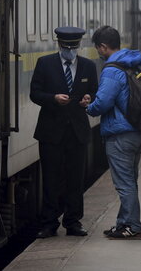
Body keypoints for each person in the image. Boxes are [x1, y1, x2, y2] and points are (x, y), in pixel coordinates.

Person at [30, 26, 98, 238]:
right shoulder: (45, 63)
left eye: (73, 47)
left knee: (75, 179)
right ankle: (49, 223)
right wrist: (53, 99)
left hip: (77, 131)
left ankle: (73, 222)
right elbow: (35, 93)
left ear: (78, 46)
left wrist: (89, 99)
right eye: (66, 47)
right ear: (59, 44)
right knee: (50, 178)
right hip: (50, 131)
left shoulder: (88, 65)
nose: (70, 50)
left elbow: (94, 92)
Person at [86, 26, 141, 240]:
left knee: (124, 183)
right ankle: (123, 224)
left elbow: (102, 103)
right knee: (130, 180)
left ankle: (132, 226)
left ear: (103, 47)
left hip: (120, 134)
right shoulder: (133, 62)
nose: (98, 53)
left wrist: (88, 106)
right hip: (137, 132)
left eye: (97, 49)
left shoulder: (112, 70)